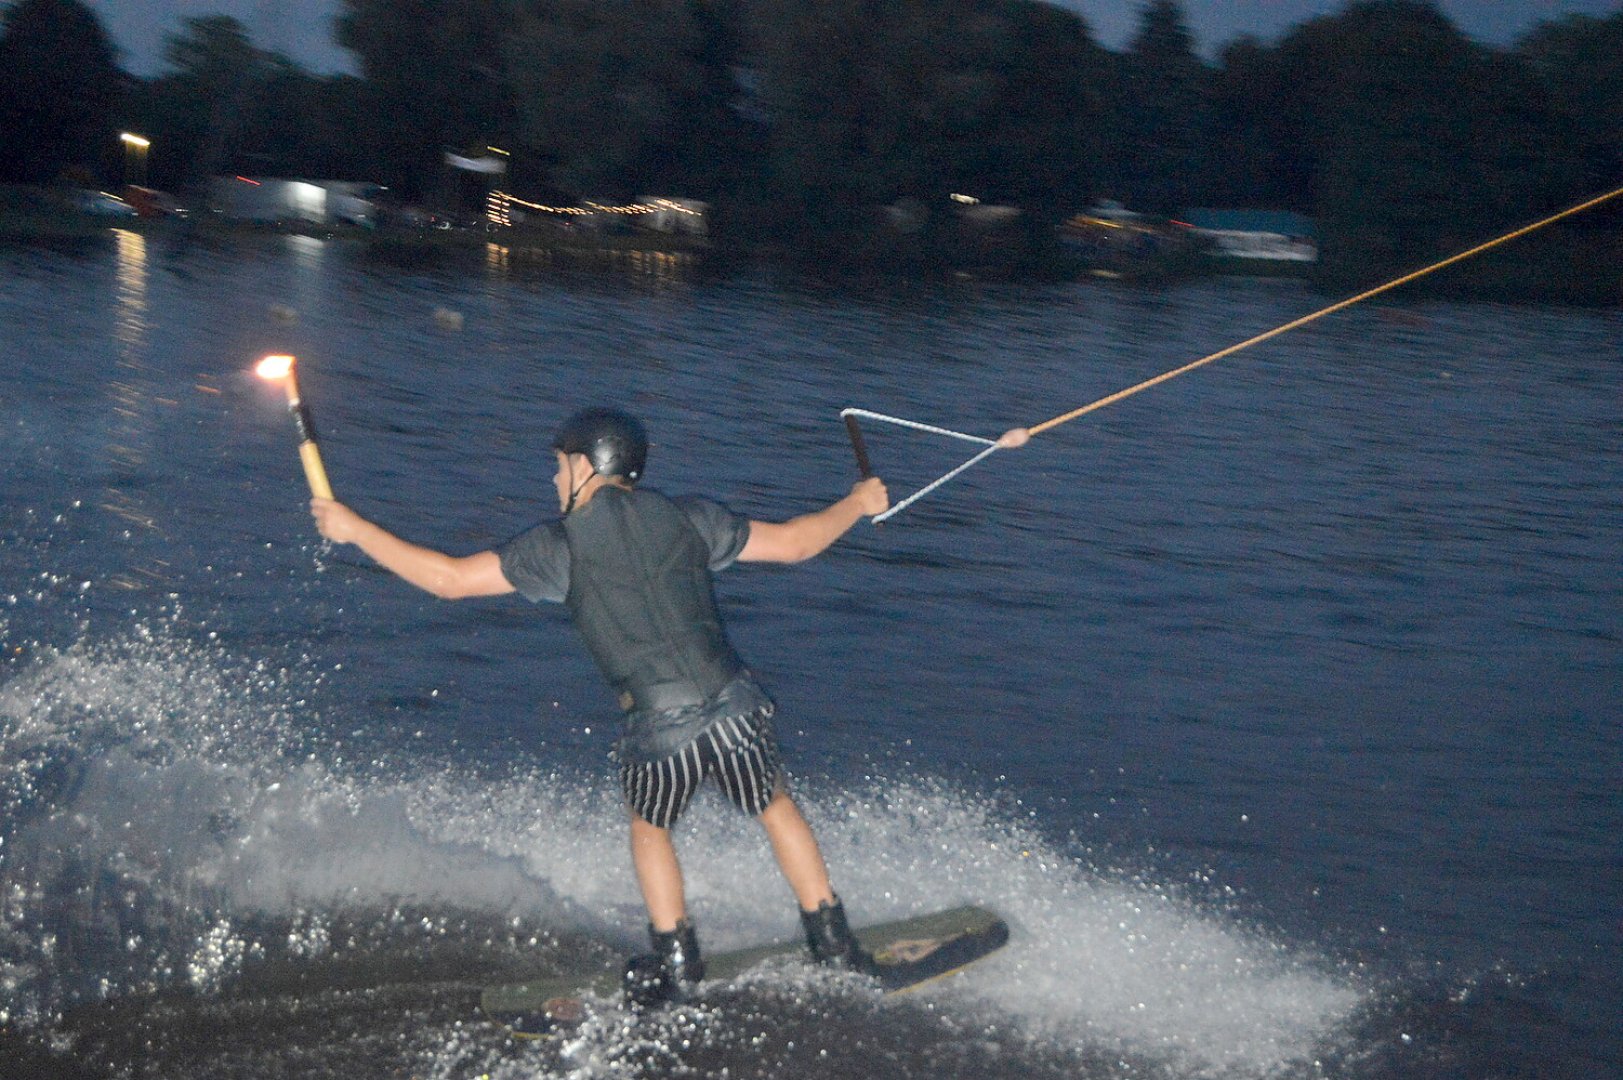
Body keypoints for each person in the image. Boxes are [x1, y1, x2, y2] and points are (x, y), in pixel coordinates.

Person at [309, 406, 891, 1002]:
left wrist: (356, 530)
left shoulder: (558, 547)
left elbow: (449, 581)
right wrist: (856, 502)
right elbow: (796, 544)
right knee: (773, 805)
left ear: (586, 465)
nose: (554, 480)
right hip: (736, 705)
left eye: (559, 468)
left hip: (660, 729)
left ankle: (679, 963)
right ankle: (836, 947)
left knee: (650, 826)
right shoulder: (689, 517)